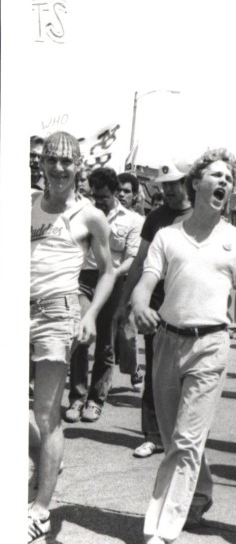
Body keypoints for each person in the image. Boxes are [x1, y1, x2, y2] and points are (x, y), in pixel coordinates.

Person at [130, 148, 236, 544]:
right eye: (216, 175)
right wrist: (138, 306)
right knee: (176, 440)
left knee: (185, 442)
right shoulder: (169, 236)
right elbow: (144, 284)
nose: (224, 183)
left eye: (229, 177)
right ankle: (200, 492)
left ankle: (159, 535)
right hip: (167, 343)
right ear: (197, 183)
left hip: (211, 345)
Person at [29, 131, 114, 543]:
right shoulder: (26, 204)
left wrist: (91, 314)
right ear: (41, 163)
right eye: (52, 160)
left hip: (57, 314)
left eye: (67, 161)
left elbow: (109, 271)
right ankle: (43, 458)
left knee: (47, 415)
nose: (59, 168)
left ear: (78, 165)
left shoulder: (89, 215)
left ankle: (41, 510)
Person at [114, 160, 193, 458]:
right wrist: (124, 302)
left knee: (187, 373)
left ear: (189, 183)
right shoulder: (156, 218)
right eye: (165, 185)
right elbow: (140, 262)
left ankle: (182, 434)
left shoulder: (201, 215)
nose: (170, 190)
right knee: (155, 373)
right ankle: (153, 434)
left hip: (189, 303)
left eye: (175, 183)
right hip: (156, 306)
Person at [65, 167, 143, 423]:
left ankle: (96, 400)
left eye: (103, 198)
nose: (98, 203)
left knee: (106, 345)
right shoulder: (83, 214)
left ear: (116, 192)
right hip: (82, 280)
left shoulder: (132, 220)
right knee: (81, 337)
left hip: (113, 282)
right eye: (94, 197)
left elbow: (133, 257)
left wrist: (110, 273)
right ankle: (76, 398)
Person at [116, 171, 145, 389]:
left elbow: (137, 258)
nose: (121, 194)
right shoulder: (102, 215)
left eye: (127, 191)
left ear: (135, 195)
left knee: (126, 332)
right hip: (100, 280)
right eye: (119, 190)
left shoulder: (139, 221)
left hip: (127, 279)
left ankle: (134, 369)